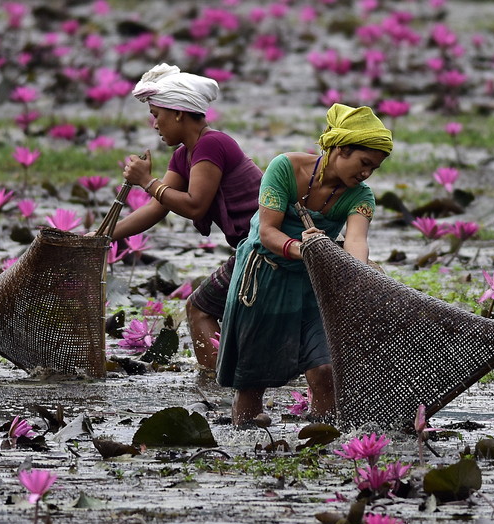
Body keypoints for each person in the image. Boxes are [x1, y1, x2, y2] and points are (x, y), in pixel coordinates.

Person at [216, 103, 393, 427]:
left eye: (374, 168)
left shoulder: (361, 197)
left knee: (326, 369)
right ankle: (243, 441)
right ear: (339, 148)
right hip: (263, 279)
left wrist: (360, 273)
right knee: (252, 385)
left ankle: (321, 438)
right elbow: (268, 232)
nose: (366, 173)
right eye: (364, 162)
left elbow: (355, 241)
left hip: (314, 283)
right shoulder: (284, 168)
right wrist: (304, 249)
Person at [114, 63, 262, 376]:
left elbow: (194, 205)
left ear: (178, 113)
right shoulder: (184, 155)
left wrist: (147, 181)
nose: (154, 124)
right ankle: (229, 377)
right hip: (253, 249)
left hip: (265, 246)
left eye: (157, 114)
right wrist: (103, 235)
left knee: (199, 308)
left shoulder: (212, 144)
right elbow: (157, 207)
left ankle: (217, 382)